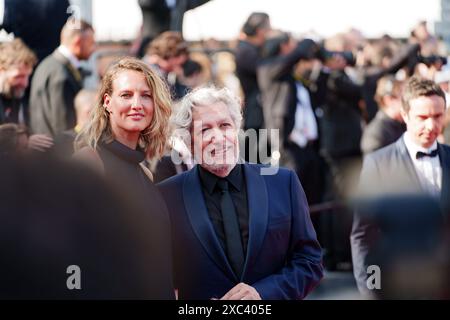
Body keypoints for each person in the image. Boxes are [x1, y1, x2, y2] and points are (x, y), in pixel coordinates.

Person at [158, 86, 323, 300]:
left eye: (225, 125)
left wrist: (263, 294)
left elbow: (310, 261)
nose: (218, 137)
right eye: (204, 130)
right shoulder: (167, 196)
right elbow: (158, 276)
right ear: (189, 142)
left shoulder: (283, 182)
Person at [73, 56, 175, 299]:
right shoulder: (90, 163)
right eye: (126, 95)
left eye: (146, 95)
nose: (137, 104)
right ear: (108, 102)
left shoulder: (145, 172)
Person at [351, 76, 450, 297]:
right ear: (404, 115)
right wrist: (371, 290)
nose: (431, 125)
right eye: (422, 117)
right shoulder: (378, 163)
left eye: (438, 116)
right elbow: (364, 235)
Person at [29, 18, 95, 137]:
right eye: (91, 43)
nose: (93, 49)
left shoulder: (50, 64)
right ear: (78, 42)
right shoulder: (60, 74)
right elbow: (63, 127)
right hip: (55, 151)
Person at [0, 38, 54, 152]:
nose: (25, 83)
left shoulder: (15, 96)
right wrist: (22, 143)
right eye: (18, 76)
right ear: (1, 70)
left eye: (27, 76)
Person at [360, 75, 406, 154]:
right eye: (403, 96)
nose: (408, 101)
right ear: (388, 100)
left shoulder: (405, 123)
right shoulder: (376, 133)